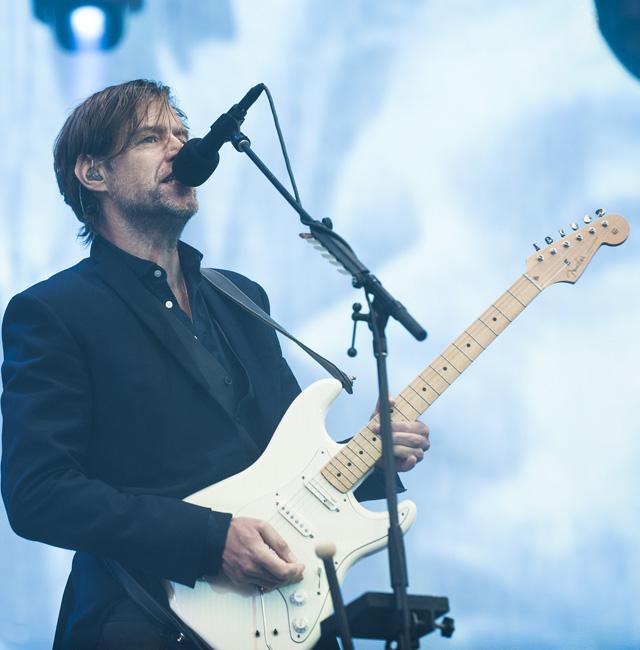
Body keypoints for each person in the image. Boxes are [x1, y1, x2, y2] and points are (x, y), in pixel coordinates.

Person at [1, 79, 430, 649]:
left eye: (181, 133)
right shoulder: (53, 312)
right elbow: (38, 493)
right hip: (147, 621)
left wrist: (370, 456)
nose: (181, 148)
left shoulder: (240, 297)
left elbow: (286, 465)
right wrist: (210, 539)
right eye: (151, 138)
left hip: (280, 616)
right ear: (94, 173)